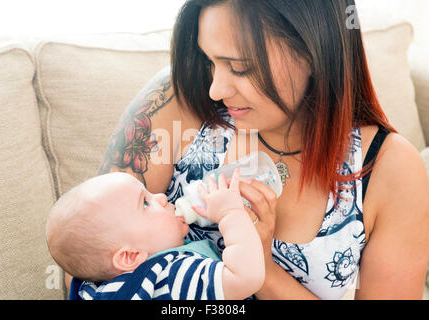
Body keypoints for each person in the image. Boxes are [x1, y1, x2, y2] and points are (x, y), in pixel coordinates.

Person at [68, 0, 429, 299]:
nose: (215, 89)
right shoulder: (177, 98)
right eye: (210, 61)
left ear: (313, 51)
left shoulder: (389, 169)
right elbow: (87, 256)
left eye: (239, 67)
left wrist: (262, 269)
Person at [47, 169, 265, 300]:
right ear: (129, 256)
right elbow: (247, 277)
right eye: (145, 203)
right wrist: (230, 213)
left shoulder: (94, 288)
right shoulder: (170, 276)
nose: (161, 197)